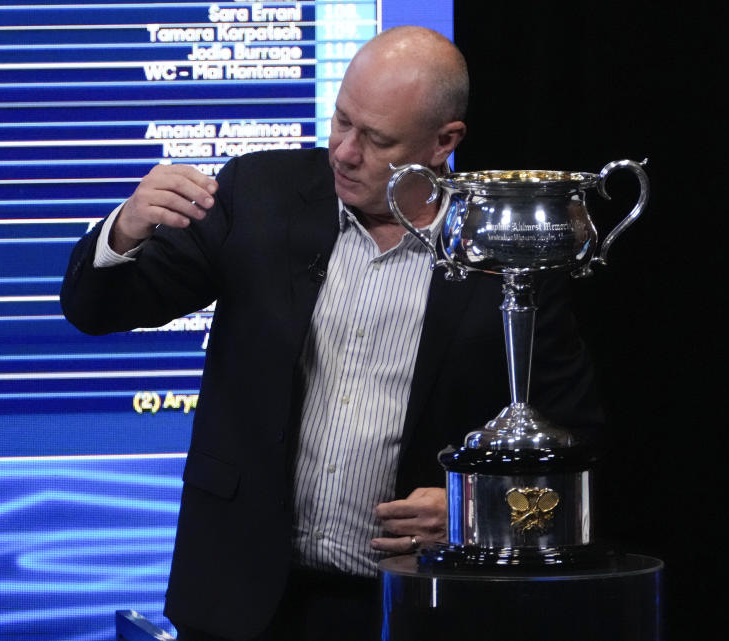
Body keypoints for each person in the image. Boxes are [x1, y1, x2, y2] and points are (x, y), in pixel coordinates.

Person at [61, 26, 601, 641]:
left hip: (411, 606)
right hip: (238, 599)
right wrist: (126, 230)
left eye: (375, 139)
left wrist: (470, 513)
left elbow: (574, 439)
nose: (344, 151)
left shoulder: (502, 255)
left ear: (443, 142)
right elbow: (96, 310)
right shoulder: (256, 195)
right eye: (341, 121)